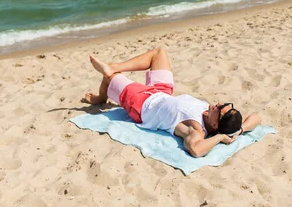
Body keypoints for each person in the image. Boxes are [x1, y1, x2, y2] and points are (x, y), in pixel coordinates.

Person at [83, 48, 262, 157]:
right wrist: (240, 130)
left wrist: (220, 137)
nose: (219, 103)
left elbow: (196, 149)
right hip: (161, 92)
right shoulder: (222, 119)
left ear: (215, 123)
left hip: (142, 103)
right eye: (225, 104)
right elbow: (257, 117)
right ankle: (113, 68)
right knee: (158, 53)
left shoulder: (196, 128)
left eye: (220, 108)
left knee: (109, 77)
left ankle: (100, 98)